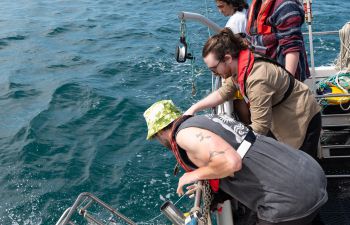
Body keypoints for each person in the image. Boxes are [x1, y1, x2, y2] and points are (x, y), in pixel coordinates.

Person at [144, 100, 327, 225]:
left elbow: (231, 163)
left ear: (160, 133)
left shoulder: (183, 135)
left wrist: (193, 175)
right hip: (311, 174)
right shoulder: (206, 120)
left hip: (291, 200)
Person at [185, 28, 321, 158]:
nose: (215, 74)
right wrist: (194, 108)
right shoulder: (242, 64)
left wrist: (225, 141)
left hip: (302, 117)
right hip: (285, 114)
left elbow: (260, 127)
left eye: (214, 69)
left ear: (227, 59)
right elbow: (225, 92)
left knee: (304, 169)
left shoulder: (257, 79)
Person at [246, 0, 310, 81]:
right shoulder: (255, 6)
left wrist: (288, 83)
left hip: (281, 77)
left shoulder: (286, 7)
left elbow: (292, 47)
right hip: (262, 74)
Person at [215, 0, 251, 125]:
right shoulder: (244, 13)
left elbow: (232, 47)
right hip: (248, 62)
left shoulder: (234, 22)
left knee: (237, 98)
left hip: (239, 66)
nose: (220, 10)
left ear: (231, 3)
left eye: (221, 6)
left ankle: (247, 125)